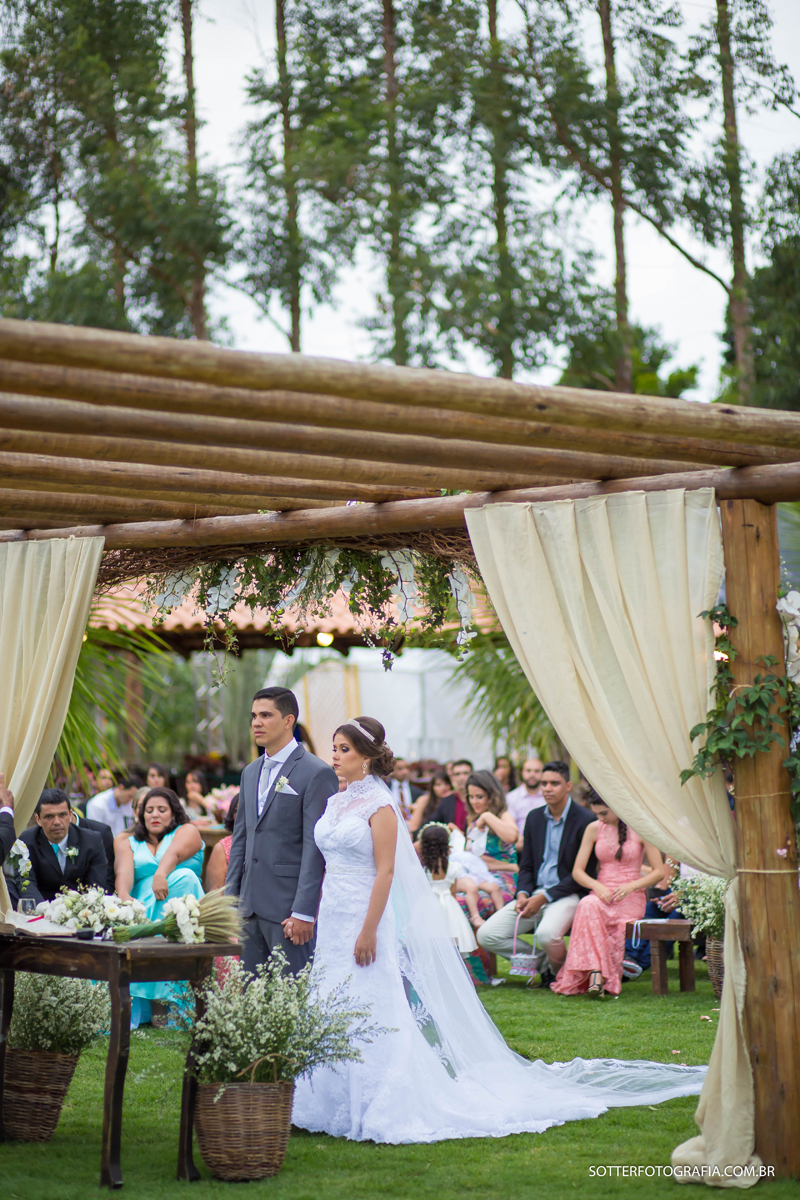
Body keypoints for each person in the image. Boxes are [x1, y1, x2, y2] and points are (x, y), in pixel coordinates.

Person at [291, 719, 705, 1143]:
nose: (334, 756)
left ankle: (378, 1094)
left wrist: (368, 930)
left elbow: (386, 871)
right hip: (333, 913)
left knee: (371, 998)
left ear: (365, 756)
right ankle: (329, 1095)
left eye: (343, 749)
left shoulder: (379, 805)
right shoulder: (336, 801)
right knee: (332, 996)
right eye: (334, 748)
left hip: (365, 914)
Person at [225, 686, 338, 976]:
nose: (256, 723)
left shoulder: (316, 772)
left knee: (293, 998)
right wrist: (229, 904)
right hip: (248, 907)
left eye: (266, 715)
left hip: (288, 909)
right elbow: (241, 840)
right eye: (253, 716)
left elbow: (316, 848)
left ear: (289, 721)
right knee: (252, 996)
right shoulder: (249, 772)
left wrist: (303, 911)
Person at [477, 761, 596, 987]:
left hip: (567, 894)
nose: (547, 788)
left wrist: (545, 897)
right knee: (486, 935)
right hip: (532, 895)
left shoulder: (585, 820)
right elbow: (527, 866)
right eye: (544, 783)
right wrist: (522, 893)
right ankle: (547, 967)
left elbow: (582, 874)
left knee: (546, 935)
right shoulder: (534, 818)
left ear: (568, 785)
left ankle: (561, 972)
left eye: (554, 783)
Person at [552, 790, 664, 998]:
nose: (600, 818)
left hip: (630, 896)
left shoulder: (640, 827)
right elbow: (578, 871)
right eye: (596, 814)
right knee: (587, 904)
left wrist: (631, 886)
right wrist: (598, 886)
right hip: (602, 892)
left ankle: (598, 976)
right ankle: (596, 974)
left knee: (592, 911)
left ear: (617, 806)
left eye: (603, 813)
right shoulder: (593, 829)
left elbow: (658, 872)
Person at [115, 788, 204, 1023]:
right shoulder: (129, 843)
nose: (154, 814)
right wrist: (124, 896)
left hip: (182, 907)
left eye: (161, 810)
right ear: (140, 815)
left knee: (184, 876)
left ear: (174, 813)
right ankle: (152, 1003)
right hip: (144, 908)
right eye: (149, 810)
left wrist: (161, 874)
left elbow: (174, 854)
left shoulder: (188, 831)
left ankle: (175, 1000)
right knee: (133, 909)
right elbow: (124, 873)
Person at [20, 789, 108, 902]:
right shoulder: (25, 842)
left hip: (81, 911)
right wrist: (45, 912)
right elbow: (27, 885)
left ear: (71, 815)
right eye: (49, 816)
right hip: (40, 911)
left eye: (62, 815)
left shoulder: (92, 841)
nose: (57, 822)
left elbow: (95, 887)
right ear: (38, 819)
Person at [458, 771, 518, 927]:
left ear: (492, 796)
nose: (474, 802)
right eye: (471, 797)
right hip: (479, 878)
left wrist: (487, 817)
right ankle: (474, 951)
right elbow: (472, 858)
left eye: (479, 797)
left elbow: (512, 837)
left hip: (503, 879)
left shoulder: (503, 816)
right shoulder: (472, 820)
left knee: (465, 903)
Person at [419, 824, 477, 954]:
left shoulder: (422, 869)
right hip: (449, 906)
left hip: (427, 905)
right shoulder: (453, 867)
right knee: (452, 934)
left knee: (428, 941)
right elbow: (453, 891)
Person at [70, 803, 115, 894]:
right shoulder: (35, 838)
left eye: (62, 814)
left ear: (70, 813)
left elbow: (109, 876)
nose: (56, 822)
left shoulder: (100, 831)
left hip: (95, 897)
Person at [505, 758, 545, 848]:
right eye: (528, 771)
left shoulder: (549, 797)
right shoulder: (511, 798)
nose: (532, 774)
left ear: (543, 773)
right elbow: (509, 827)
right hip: (519, 846)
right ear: (522, 773)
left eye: (537, 771)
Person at [86, 774, 142, 838]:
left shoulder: (129, 804)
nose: (131, 800)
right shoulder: (97, 805)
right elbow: (94, 833)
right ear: (121, 787)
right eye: (129, 796)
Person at [427, 758, 471, 831]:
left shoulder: (479, 800)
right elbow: (432, 825)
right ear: (452, 777)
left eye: (465, 773)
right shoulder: (446, 801)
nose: (461, 777)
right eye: (457, 774)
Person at [407, 766, 453, 836]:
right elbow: (414, 827)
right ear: (432, 787)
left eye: (446, 784)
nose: (443, 788)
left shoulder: (453, 801)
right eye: (438, 785)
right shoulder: (425, 800)